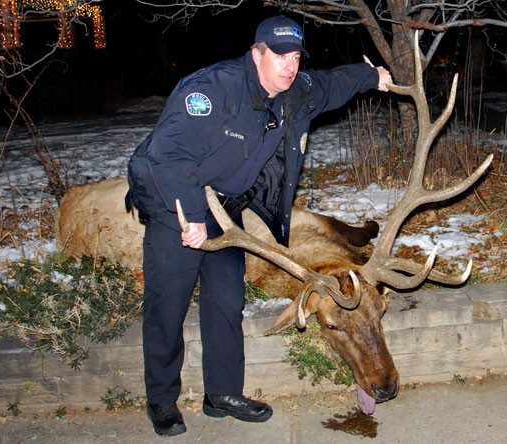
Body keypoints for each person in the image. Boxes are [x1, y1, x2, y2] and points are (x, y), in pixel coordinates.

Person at [126, 15, 393, 437]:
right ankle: (162, 400)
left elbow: (329, 84)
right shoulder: (211, 90)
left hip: (224, 211)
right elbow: (168, 156)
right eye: (279, 56)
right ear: (256, 54)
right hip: (172, 204)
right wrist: (192, 217)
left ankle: (223, 394)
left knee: (227, 302)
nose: (289, 65)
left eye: (295, 57)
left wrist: (370, 76)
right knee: (167, 307)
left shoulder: (293, 91)